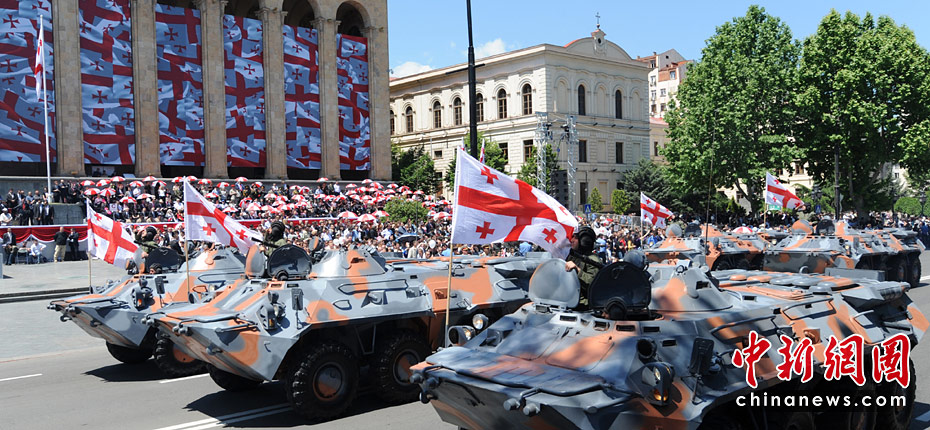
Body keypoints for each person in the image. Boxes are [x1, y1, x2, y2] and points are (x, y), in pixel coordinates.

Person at [564, 226, 603, 310]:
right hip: (567, 300)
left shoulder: (593, 260)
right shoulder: (573, 256)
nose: (571, 240)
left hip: (582, 306)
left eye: (575, 238)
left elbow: (593, 284)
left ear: (584, 241)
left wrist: (577, 270)